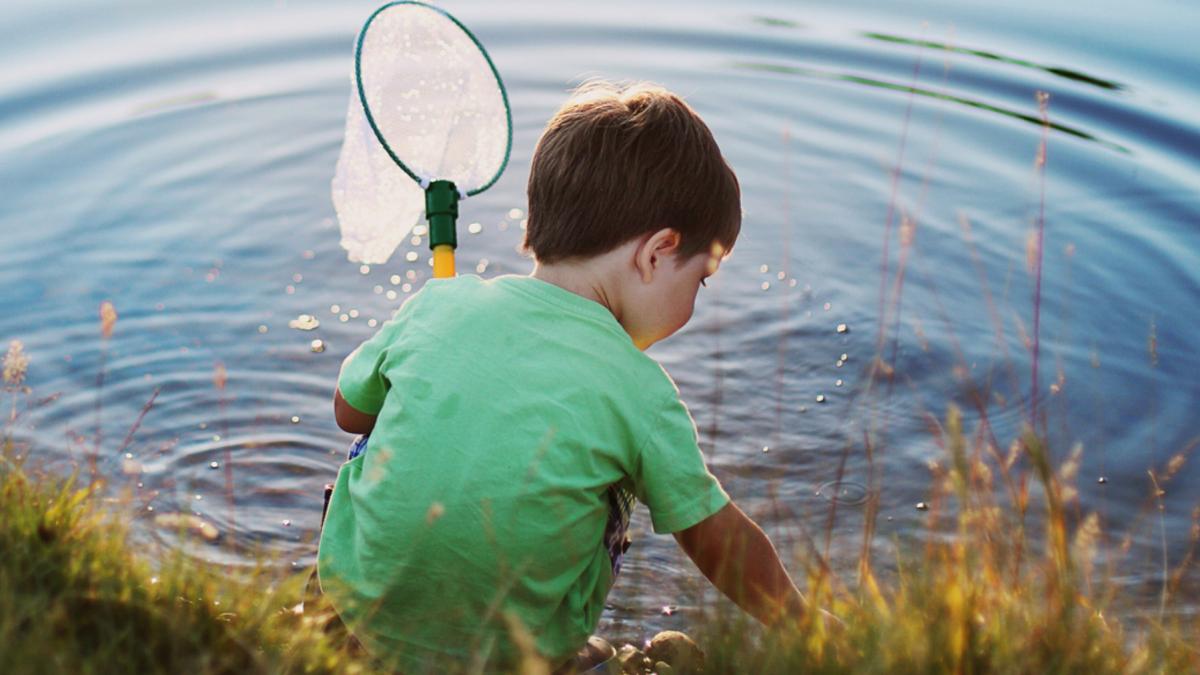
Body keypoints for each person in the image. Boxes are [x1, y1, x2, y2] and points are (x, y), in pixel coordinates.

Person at [317, 81, 809, 673]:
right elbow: (714, 537)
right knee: (614, 474)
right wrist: (805, 623)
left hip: (359, 613)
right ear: (658, 252)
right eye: (698, 281)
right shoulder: (641, 389)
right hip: (512, 658)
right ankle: (549, 644)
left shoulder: (439, 304)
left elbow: (348, 410)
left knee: (381, 424)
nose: (693, 306)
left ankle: (355, 613)